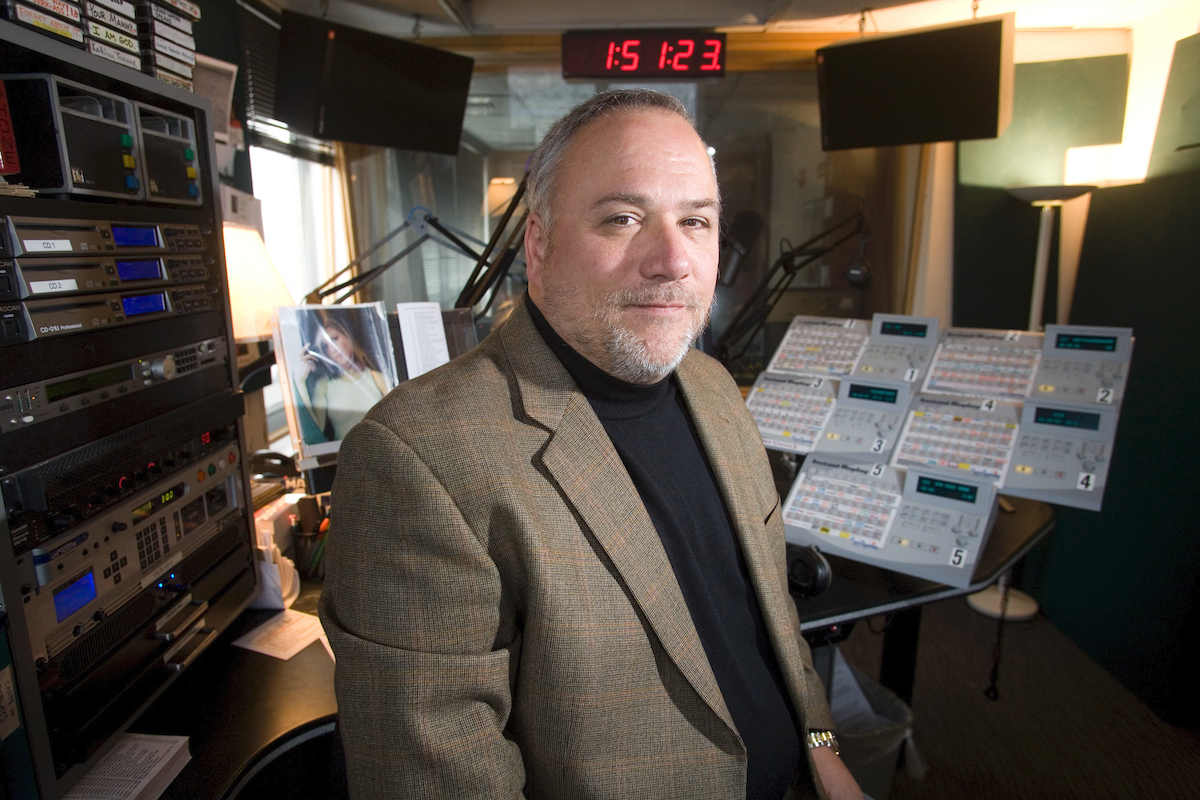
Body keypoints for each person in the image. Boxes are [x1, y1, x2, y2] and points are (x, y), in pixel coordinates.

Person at [320, 89, 863, 800]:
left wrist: (824, 753)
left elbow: (780, 638)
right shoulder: (417, 458)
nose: (672, 259)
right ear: (539, 247)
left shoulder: (715, 391)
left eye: (695, 221)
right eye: (623, 218)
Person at [293, 309, 391, 444]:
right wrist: (300, 382)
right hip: (346, 460)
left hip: (381, 454)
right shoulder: (325, 385)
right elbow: (315, 433)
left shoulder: (377, 377)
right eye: (325, 345)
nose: (332, 349)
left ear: (347, 334)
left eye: (334, 338)